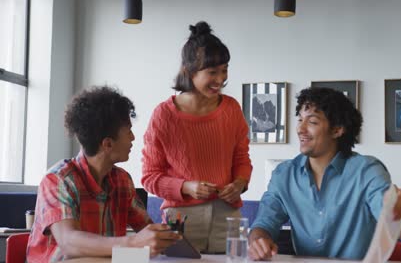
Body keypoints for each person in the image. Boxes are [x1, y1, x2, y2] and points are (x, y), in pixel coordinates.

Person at [248, 87, 401, 260]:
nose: (301, 128)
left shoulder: (367, 171)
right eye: (300, 119)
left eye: (312, 122)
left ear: (337, 129)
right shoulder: (284, 174)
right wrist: (259, 239)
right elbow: (264, 223)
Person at [27, 87, 181, 262]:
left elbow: (146, 229)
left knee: (151, 258)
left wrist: (165, 237)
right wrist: (132, 243)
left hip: (108, 258)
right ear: (108, 144)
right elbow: (69, 243)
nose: (133, 138)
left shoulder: (122, 180)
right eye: (128, 131)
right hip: (64, 259)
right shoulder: (58, 180)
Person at [141, 21, 252, 253]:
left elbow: (242, 158)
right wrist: (185, 187)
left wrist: (239, 184)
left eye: (224, 69)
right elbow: (150, 176)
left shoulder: (231, 108)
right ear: (189, 72)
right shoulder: (164, 115)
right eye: (212, 72)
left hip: (228, 214)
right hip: (182, 217)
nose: (221, 79)